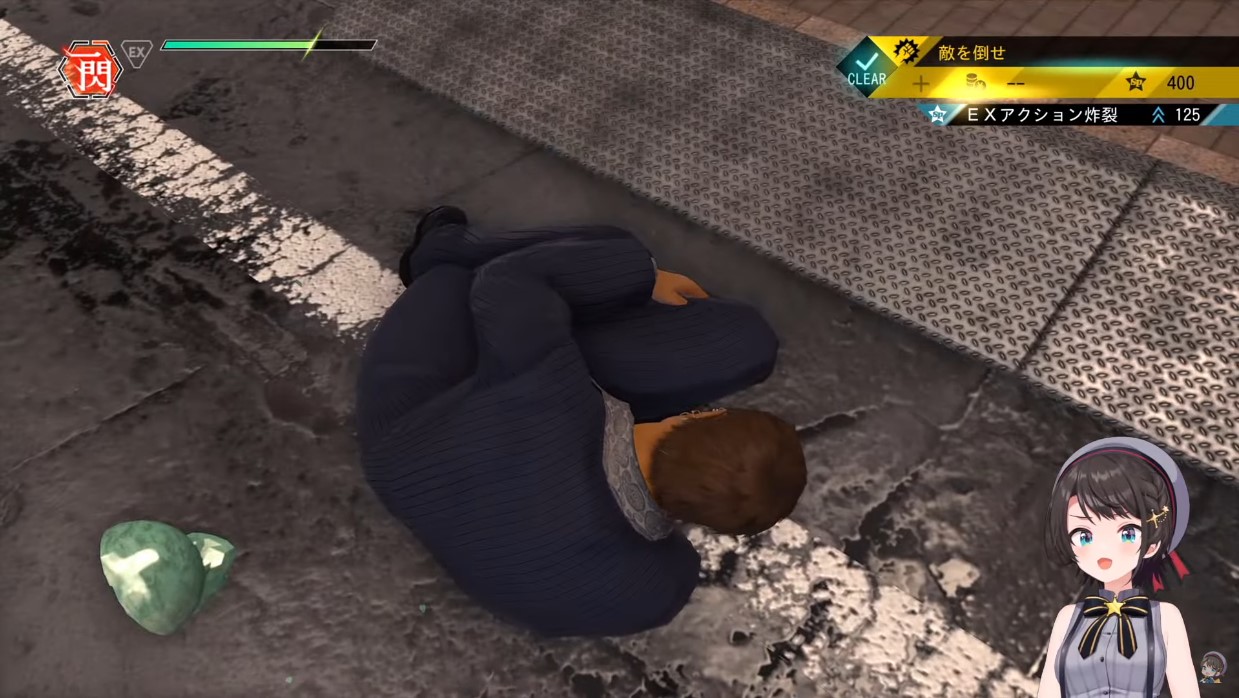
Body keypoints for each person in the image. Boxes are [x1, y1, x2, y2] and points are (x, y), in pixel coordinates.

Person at [355, 206, 807, 637]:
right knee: (746, 345)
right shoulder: (656, 591)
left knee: (602, 247)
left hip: (418, 408)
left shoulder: (546, 390)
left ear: (703, 412)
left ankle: (439, 250)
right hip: (489, 441)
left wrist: (643, 275)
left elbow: (507, 281)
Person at [1038, 437, 1200, 698]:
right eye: (1084, 535)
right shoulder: (1067, 619)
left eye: (1127, 533)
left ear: (1151, 544)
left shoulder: (1167, 619)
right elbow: (1048, 691)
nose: (1104, 551)